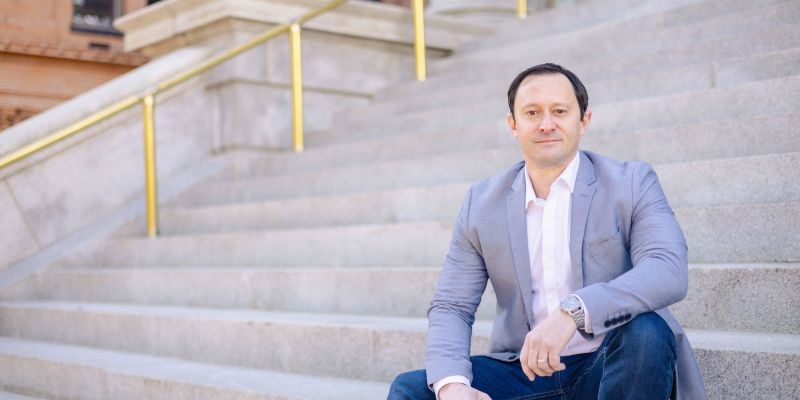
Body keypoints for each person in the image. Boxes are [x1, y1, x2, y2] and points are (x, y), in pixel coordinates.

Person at [387, 63, 706, 400]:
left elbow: (667, 269)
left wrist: (574, 312)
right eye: (532, 113)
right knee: (411, 390)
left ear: (584, 120)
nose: (546, 124)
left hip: (612, 363)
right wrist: (452, 386)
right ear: (513, 124)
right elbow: (452, 305)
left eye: (559, 111)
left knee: (645, 332)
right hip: (526, 372)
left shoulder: (631, 183)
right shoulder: (480, 203)